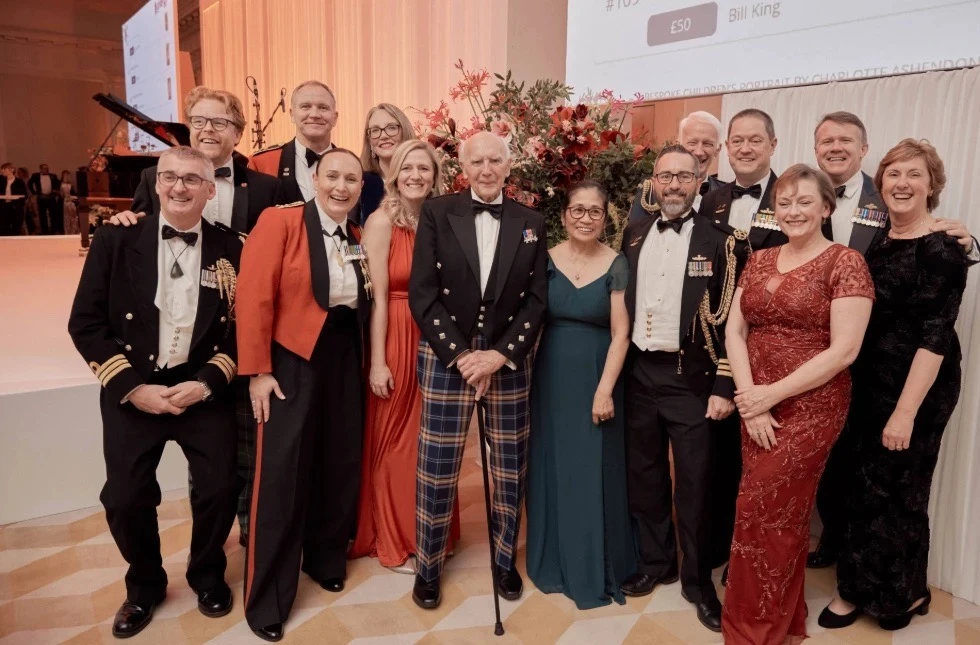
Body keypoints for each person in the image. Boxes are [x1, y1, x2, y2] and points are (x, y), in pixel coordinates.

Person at [67, 146, 242, 639]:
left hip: (200, 386)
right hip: (134, 387)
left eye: (191, 179)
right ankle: (144, 586)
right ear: (156, 183)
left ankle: (207, 574)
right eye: (169, 177)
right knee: (124, 497)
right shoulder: (116, 240)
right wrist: (131, 388)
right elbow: (85, 323)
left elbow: (241, 330)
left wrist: (208, 381)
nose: (179, 188)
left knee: (220, 488)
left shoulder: (235, 247)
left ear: (210, 190)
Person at [109, 86, 280, 548]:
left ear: (237, 132)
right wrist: (125, 221)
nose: (207, 129)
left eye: (219, 122)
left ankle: (248, 532)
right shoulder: (155, 177)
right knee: (168, 481)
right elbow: (144, 246)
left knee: (237, 457)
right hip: (173, 346)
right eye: (199, 121)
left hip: (237, 335)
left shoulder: (263, 187)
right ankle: (208, 543)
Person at [809, 112, 979, 569]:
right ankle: (848, 560)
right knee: (854, 475)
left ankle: (892, 591)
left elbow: (936, 320)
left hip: (916, 377)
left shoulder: (932, 236)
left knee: (897, 484)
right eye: (896, 174)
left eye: (914, 174)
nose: (902, 183)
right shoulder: (812, 200)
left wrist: (971, 243)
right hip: (860, 369)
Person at [720, 164, 875, 644]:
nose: (793, 210)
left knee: (769, 508)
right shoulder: (760, 259)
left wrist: (771, 395)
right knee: (760, 509)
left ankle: (761, 628)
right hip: (756, 403)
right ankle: (771, 620)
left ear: (826, 207)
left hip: (813, 406)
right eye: (784, 202)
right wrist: (751, 401)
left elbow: (844, 351)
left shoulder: (845, 262)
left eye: (805, 201)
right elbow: (733, 329)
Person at [408, 130, 548, 610]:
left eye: (495, 160)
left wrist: (501, 354)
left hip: (508, 359)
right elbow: (422, 293)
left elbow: (536, 301)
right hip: (448, 355)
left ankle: (505, 558)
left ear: (509, 167)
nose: (486, 169)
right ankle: (427, 566)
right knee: (437, 465)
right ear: (463, 168)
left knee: (509, 464)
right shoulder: (437, 212)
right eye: (477, 161)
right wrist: (461, 355)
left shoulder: (531, 221)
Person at [237, 148, 371, 642]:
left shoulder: (356, 236)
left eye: (351, 179)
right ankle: (268, 596)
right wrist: (257, 371)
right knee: (282, 477)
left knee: (337, 463)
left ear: (361, 186)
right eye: (332, 175)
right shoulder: (281, 221)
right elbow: (253, 295)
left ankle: (325, 556)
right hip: (290, 359)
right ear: (313, 178)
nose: (341, 186)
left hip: (341, 356)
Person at [618, 144, 737, 633]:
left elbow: (735, 320)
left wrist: (725, 385)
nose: (673, 185)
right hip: (639, 372)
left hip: (693, 379)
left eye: (684, 177)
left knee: (696, 483)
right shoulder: (633, 232)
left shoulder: (725, 241)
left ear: (699, 180)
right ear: (653, 181)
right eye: (665, 176)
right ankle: (657, 563)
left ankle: (697, 579)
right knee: (644, 476)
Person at [525, 180, 636, 610]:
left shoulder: (616, 263)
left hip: (598, 375)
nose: (585, 218)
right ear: (565, 215)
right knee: (552, 464)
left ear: (605, 218)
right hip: (550, 377)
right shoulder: (544, 259)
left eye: (595, 211)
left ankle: (595, 563)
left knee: (593, 467)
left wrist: (604, 389)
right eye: (578, 210)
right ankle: (553, 556)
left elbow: (621, 333)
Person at [350, 139, 460, 572]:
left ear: (435, 176)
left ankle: (432, 533)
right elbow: (375, 298)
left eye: (425, 169)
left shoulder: (444, 219)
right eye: (408, 167)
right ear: (394, 173)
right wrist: (377, 361)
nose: (416, 175)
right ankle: (398, 536)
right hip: (395, 332)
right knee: (395, 443)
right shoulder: (380, 222)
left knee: (431, 442)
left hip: (438, 338)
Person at [699, 108, 785, 580]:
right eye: (737, 141)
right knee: (715, 459)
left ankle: (749, 559)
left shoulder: (791, 194)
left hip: (769, 345)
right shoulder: (708, 195)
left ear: (773, 144)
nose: (746, 148)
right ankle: (714, 549)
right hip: (714, 347)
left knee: (760, 464)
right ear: (725, 148)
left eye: (756, 140)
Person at [249, 80, 338, 205]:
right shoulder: (261, 163)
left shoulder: (352, 166)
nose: (314, 114)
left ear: (335, 118)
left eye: (323, 108)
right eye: (305, 106)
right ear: (292, 114)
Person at [627, 110, 725, 223]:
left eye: (707, 144)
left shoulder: (726, 194)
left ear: (718, 149)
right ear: (678, 144)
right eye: (692, 143)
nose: (699, 152)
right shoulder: (651, 190)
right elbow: (636, 234)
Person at [29, 163, 61, 234]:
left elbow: (58, 184)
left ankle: (53, 230)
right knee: (42, 215)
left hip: (51, 197)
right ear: (40, 169)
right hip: (41, 198)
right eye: (44, 168)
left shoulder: (53, 176)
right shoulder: (35, 176)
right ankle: (45, 231)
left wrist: (55, 191)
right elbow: (29, 184)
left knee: (53, 215)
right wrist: (34, 192)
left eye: (47, 168)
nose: (46, 170)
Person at [0, 163, 28, 235]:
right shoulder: (1, 180)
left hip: (16, 207)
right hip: (3, 207)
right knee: (3, 227)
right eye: (2, 169)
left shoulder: (19, 181)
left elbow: (25, 195)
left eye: (4, 169)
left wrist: (15, 198)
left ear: (12, 170)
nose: (2, 171)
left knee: (16, 228)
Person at [60, 170, 78, 235]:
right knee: (72, 217)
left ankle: (68, 231)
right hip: (69, 202)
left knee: (68, 218)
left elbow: (62, 195)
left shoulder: (63, 185)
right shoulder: (68, 185)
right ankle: (72, 231)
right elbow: (71, 194)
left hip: (67, 202)